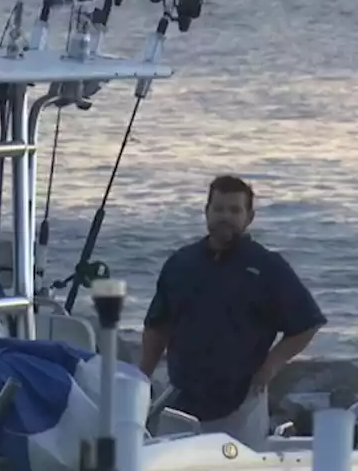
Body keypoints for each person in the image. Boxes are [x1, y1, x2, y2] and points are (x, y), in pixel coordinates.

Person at [139, 175, 326, 449]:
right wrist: (141, 381)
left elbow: (307, 324)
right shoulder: (181, 263)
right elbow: (158, 327)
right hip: (181, 399)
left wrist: (271, 366)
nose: (225, 217)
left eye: (234, 210)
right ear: (207, 212)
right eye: (219, 209)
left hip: (241, 403)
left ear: (249, 217)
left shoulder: (267, 267)